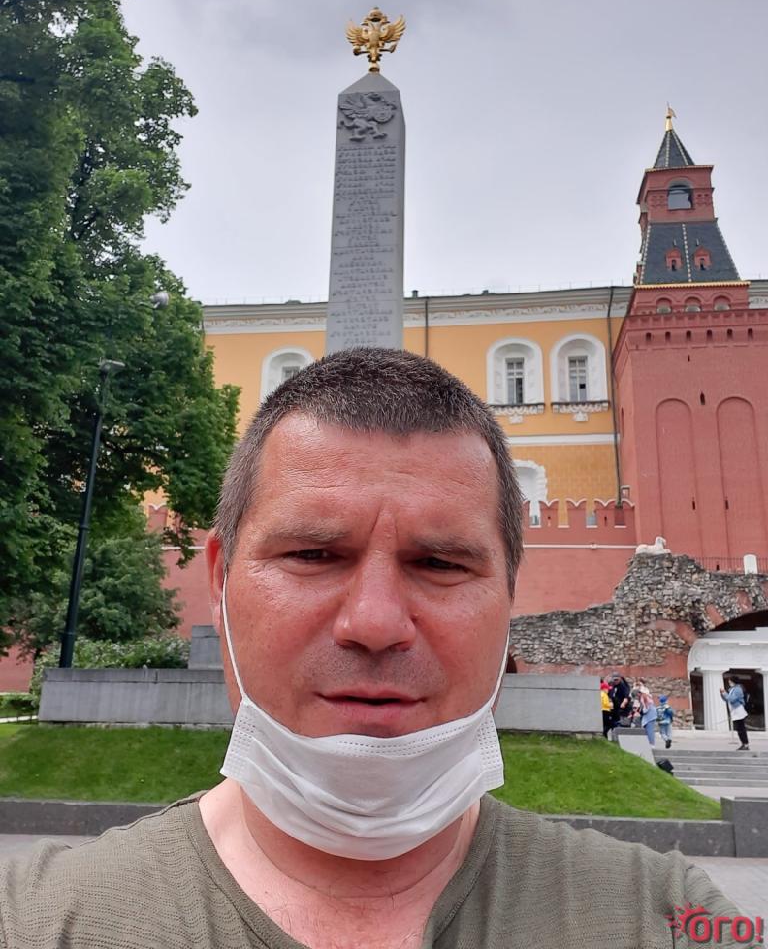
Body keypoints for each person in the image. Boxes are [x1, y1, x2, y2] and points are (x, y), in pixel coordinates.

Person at [0, 349, 742, 947]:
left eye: (440, 564)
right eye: (313, 555)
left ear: (510, 594)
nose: (376, 622)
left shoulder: (672, 922)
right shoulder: (35, 923)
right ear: (220, 581)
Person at [720, 678, 750, 751]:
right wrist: (722, 694)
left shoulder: (738, 689)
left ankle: (746, 744)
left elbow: (732, 699)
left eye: (730, 681)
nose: (729, 683)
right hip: (734, 711)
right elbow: (727, 699)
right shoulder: (732, 689)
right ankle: (744, 743)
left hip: (739, 711)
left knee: (741, 728)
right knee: (739, 729)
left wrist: (724, 693)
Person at [634, 678, 658, 746]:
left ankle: (651, 744)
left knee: (649, 729)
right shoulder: (643, 696)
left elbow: (646, 708)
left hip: (650, 714)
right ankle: (648, 743)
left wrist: (640, 711)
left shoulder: (644, 697)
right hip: (649, 714)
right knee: (647, 729)